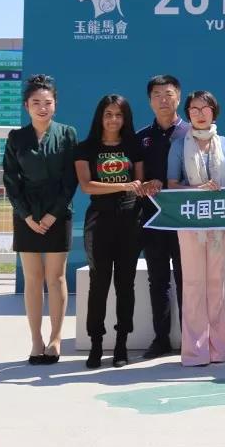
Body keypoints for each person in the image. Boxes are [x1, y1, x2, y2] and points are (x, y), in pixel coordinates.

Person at [2, 74, 78, 365]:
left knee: (56, 277)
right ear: (26, 106)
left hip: (59, 212)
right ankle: (36, 340)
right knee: (32, 279)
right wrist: (26, 215)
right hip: (27, 215)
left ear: (55, 104)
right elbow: (11, 180)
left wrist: (52, 214)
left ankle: (56, 339)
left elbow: (71, 179)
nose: (42, 108)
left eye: (47, 102)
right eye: (36, 102)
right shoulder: (16, 137)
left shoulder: (67, 134)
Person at [76, 94, 155, 368]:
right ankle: (96, 344)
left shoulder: (134, 146)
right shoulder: (85, 148)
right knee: (98, 283)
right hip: (99, 221)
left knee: (125, 284)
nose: (113, 119)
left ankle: (121, 344)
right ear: (100, 117)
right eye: (108, 114)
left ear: (125, 118)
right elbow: (86, 186)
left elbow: (140, 184)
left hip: (130, 221)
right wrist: (123, 186)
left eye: (118, 115)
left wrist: (146, 185)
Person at [167, 90, 225, 366]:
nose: (199, 114)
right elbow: (172, 185)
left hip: (220, 223)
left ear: (214, 111)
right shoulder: (178, 145)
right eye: (194, 109)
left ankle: (218, 350)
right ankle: (195, 352)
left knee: (216, 284)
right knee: (193, 284)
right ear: (187, 113)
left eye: (204, 108)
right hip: (189, 224)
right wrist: (197, 190)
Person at [136, 74, 189, 358]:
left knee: (186, 278)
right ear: (149, 101)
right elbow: (135, 179)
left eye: (168, 94)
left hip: (185, 219)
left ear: (178, 97)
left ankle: (191, 339)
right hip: (152, 219)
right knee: (157, 280)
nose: (163, 100)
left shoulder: (192, 133)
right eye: (156, 95)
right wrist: (145, 184)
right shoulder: (141, 137)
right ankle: (161, 339)